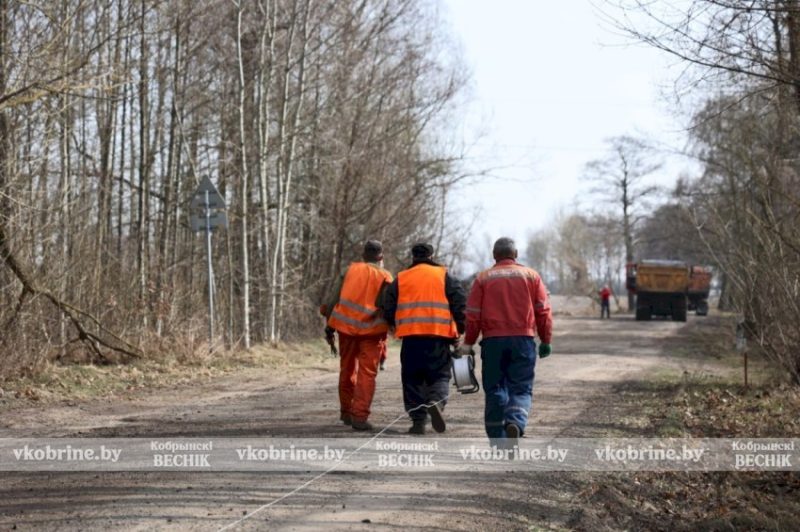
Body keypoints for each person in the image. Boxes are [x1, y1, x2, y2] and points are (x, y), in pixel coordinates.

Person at [458, 237, 552, 447]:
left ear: (494, 256)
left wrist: (468, 343)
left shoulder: (483, 278)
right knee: (520, 388)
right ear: (515, 254)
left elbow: (473, 314)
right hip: (523, 340)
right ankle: (515, 423)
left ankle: (498, 440)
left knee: (495, 389)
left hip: (493, 342)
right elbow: (543, 310)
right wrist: (546, 339)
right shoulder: (531, 276)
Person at [383, 243, 466, 435]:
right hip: (439, 337)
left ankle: (418, 422)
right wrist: (460, 329)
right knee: (440, 376)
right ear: (431, 255)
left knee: (412, 379)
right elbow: (460, 302)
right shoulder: (444, 275)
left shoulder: (401, 278)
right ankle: (435, 402)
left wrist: (393, 323)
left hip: (411, 338)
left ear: (412, 257)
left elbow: (388, 305)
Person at [322, 240, 393, 431]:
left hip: (346, 330)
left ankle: (346, 412)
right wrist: (395, 329)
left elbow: (332, 300)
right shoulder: (386, 276)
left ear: (363, 255)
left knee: (347, 370)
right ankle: (359, 417)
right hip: (372, 332)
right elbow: (390, 307)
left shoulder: (349, 271)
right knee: (366, 374)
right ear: (381, 258)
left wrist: (329, 325)